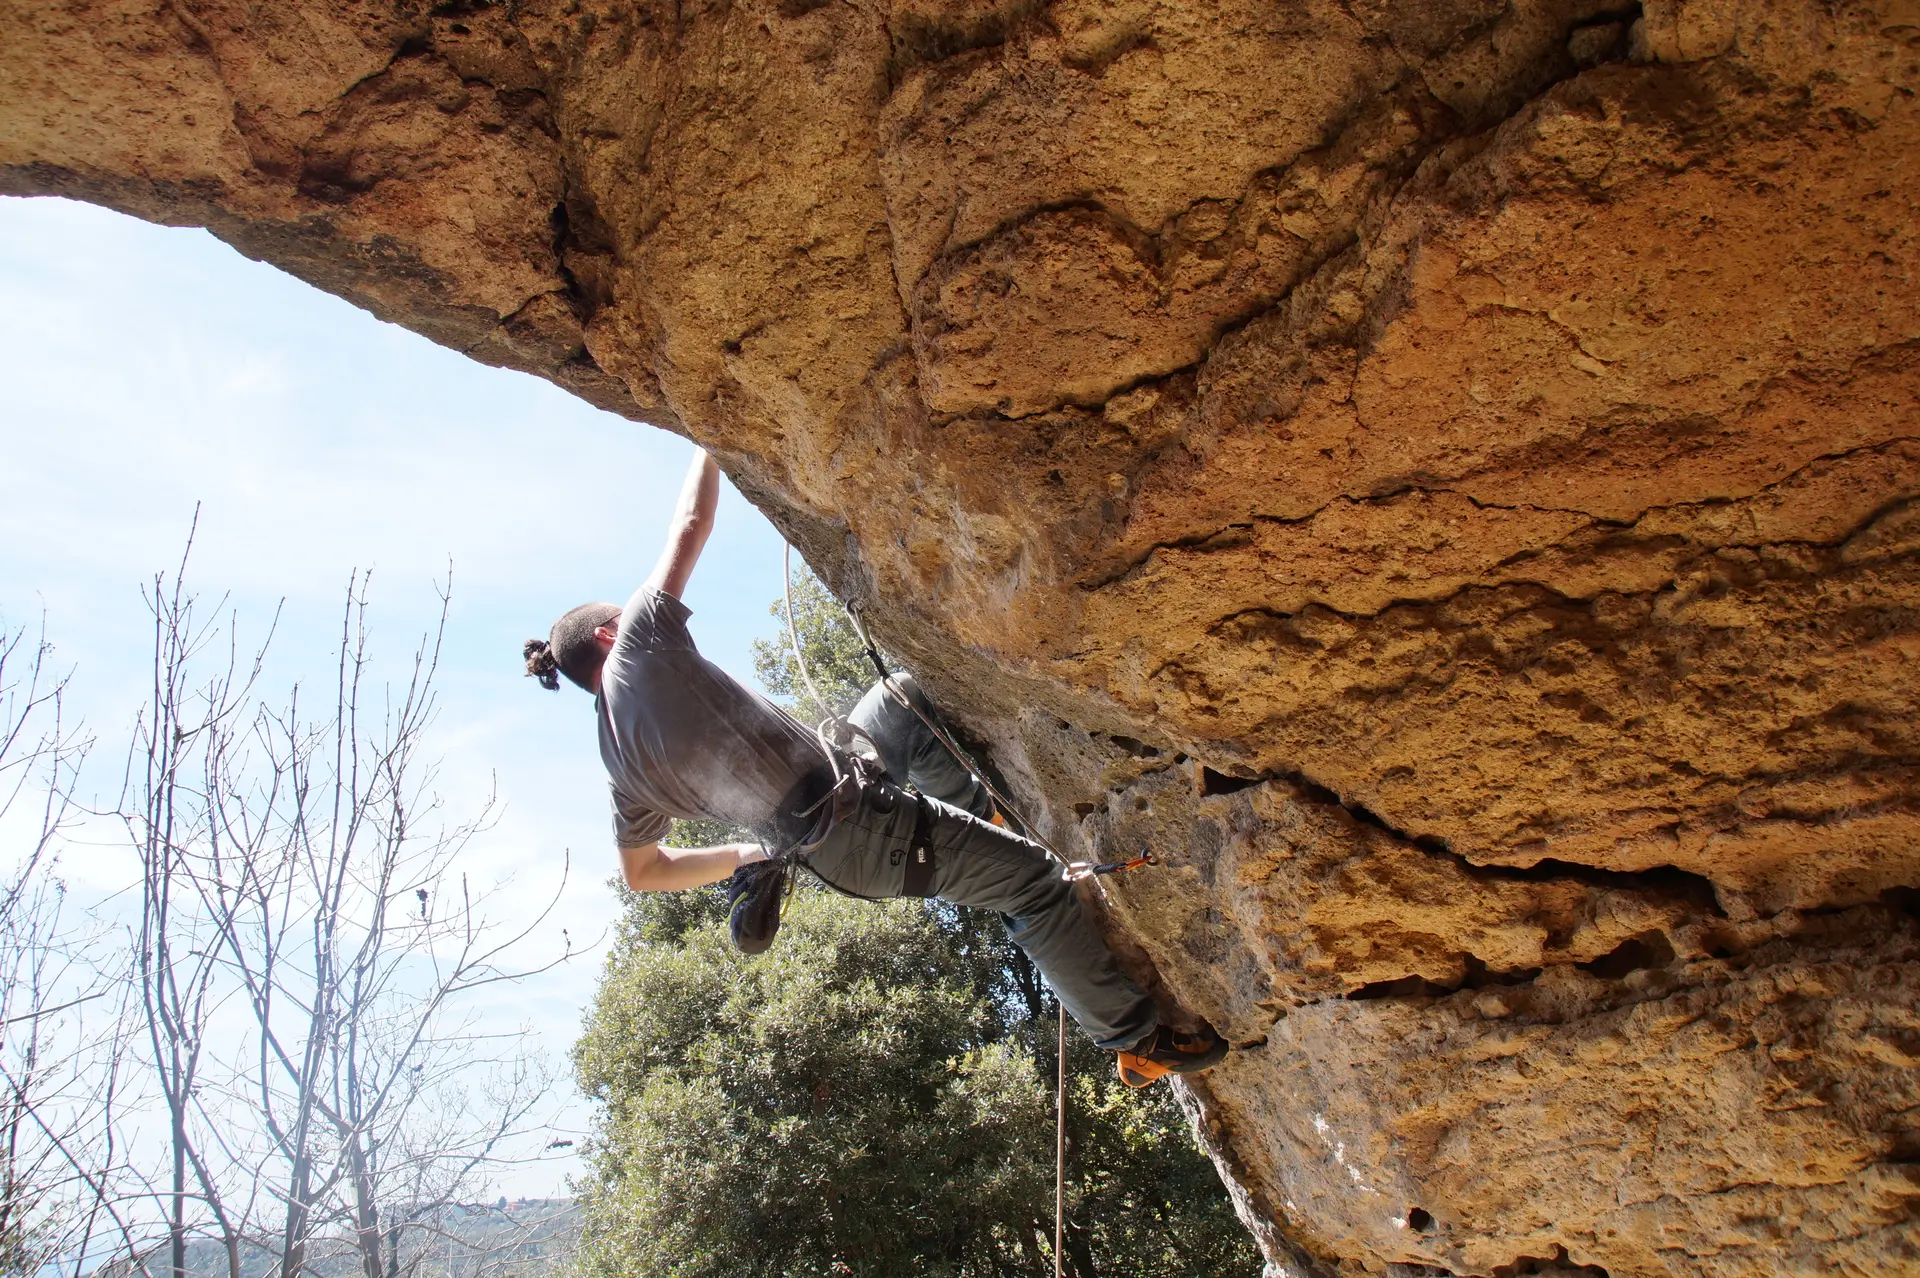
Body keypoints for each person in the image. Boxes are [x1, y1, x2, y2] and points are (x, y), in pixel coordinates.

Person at [522, 448, 1225, 1087]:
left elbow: (643, 873)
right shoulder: (639, 643)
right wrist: (704, 433)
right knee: (1036, 886)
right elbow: (690, 524)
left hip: (835, 810)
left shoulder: (617, 762)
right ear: (609, 634)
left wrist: (751, 852)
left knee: (899, 701)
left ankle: (987, 821)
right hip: (863, 830)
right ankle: (1135, 1042)